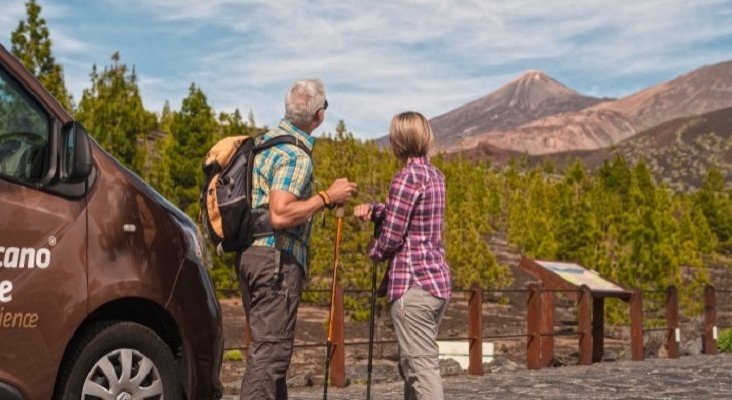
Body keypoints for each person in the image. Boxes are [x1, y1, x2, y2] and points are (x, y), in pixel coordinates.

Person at [237, 78, 357, 400]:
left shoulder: (263, 145)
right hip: (277, 261)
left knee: (268, 351)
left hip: (251, 256)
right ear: (319, 114)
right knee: (270, 357)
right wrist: (327, 196)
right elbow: (280, 213)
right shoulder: (295, 155)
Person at [354, 111, 451, 400]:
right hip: (436, 282)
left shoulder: (406, 178)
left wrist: (374, 251)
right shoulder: (435, 176)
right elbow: (409, 215)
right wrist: (377, 210)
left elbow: (393, 235)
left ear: (397, 141)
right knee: (414, 365)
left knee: (421, 368)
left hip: (412, 283)